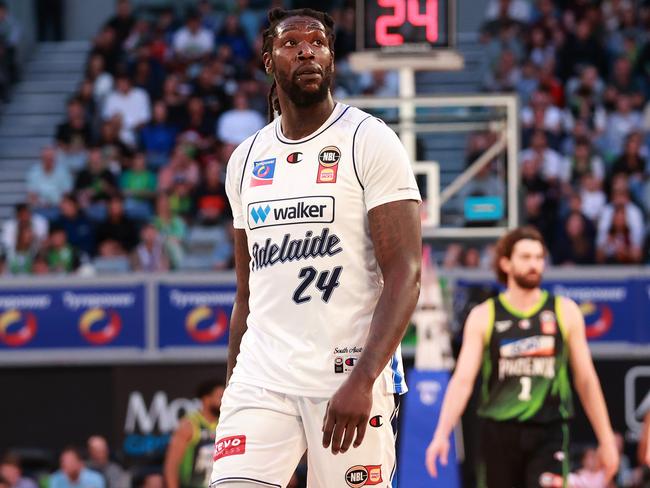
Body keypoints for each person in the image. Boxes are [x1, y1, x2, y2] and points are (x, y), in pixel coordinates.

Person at [209, 8, 422, 487]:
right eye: (291, 43)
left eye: (318, 42)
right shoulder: (245, 160)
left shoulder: (368, 140)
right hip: (262, 377)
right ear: (268, 60)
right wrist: (232, 388)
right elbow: (247, 292)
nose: (306, 49)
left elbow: (406, 273)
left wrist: (365, 378)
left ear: (330, 57)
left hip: (346, 375)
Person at [425, 226, 619, 487]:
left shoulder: (565, 311)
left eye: (539, 258)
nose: (534, 264)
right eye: (526, 257)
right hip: (498, 431)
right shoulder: (485, 315)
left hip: (548, 431)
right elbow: (462, 381)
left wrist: (606, 439)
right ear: (506, 262)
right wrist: (441, 433)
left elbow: (586, 379)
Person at [164, 380, 224, 488]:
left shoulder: (225, 423)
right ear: (206, 399)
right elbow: (171, 465)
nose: (224, 401)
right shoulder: (189, 424)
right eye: (220, 397)